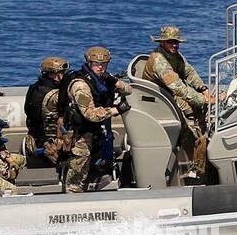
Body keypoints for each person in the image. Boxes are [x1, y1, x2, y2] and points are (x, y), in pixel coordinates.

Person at [141, 25, 214, 179]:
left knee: (198, 113)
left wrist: (203, 88)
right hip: (161, 100)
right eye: (170, 42)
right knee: (195, 117)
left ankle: (200, 160)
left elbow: (188, 71)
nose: (174, 45)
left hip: (168, 95)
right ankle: (199, 167)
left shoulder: (174, 55)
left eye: (176, 42)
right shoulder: (159, 62)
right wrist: (204, 100)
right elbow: (179, 88)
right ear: (162, 42)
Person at [63, 46, 131, 192]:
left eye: (104, 64)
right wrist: (116, 110)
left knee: (105, 154)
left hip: (94, 130)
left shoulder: (102, 77)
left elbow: (128, 89)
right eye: (96, 64)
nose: (100, 67)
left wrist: (113, 81)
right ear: (89, 62)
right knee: (80, 163)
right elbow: (91, 114)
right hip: (79, 132)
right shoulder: (81, 85)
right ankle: (72, 196)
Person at [24, 56, 71, 166]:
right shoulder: (54, 95)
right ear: (54, 75)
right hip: (52, 148)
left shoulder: (34, 88)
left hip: (34, 140)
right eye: (62, 73)